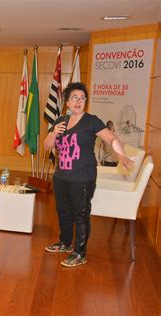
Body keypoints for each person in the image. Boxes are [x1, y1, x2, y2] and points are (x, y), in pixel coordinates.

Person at [43, 82, 133, 267]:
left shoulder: (91, 121)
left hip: (83, 177)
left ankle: (79, 253)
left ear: (85, 102)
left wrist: (121, 155)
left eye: (82, 98)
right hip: (61, 175)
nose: (78, 101)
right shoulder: (60, 121)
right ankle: (66, 243)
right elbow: (47, 146)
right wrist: (53, 134)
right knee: (63, 212)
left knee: (80, 215)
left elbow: (111, 138)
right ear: (67, 102)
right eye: (74, 98)